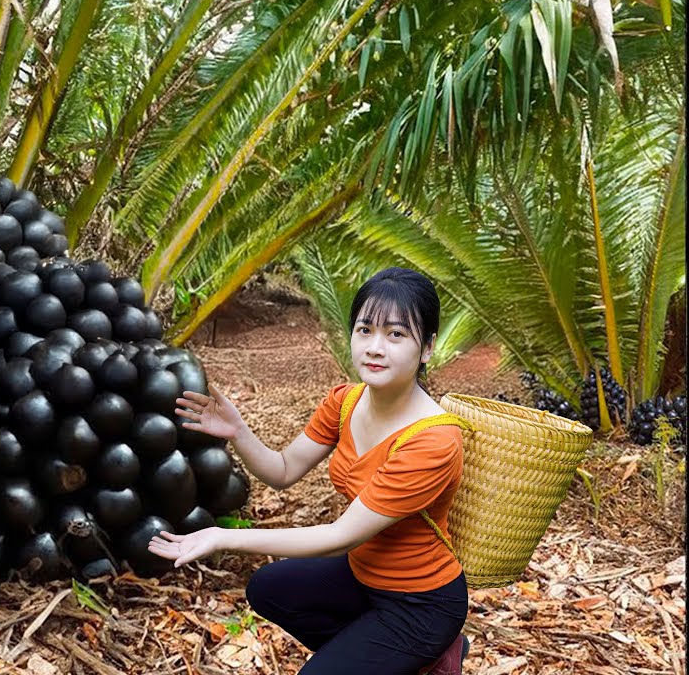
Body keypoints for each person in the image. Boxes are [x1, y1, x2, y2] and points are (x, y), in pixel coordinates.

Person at [148, 267, 470, 675]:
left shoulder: (433, 442)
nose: (374, 347)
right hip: (362, 575)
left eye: (396, 335)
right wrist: (237, 431)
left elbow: (338, 536)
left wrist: (221, 536)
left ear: (427, 348)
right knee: (268, 590)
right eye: (364, 329)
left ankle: (428, 652)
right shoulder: (345, 402)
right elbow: (282, 471)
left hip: (420, 603)